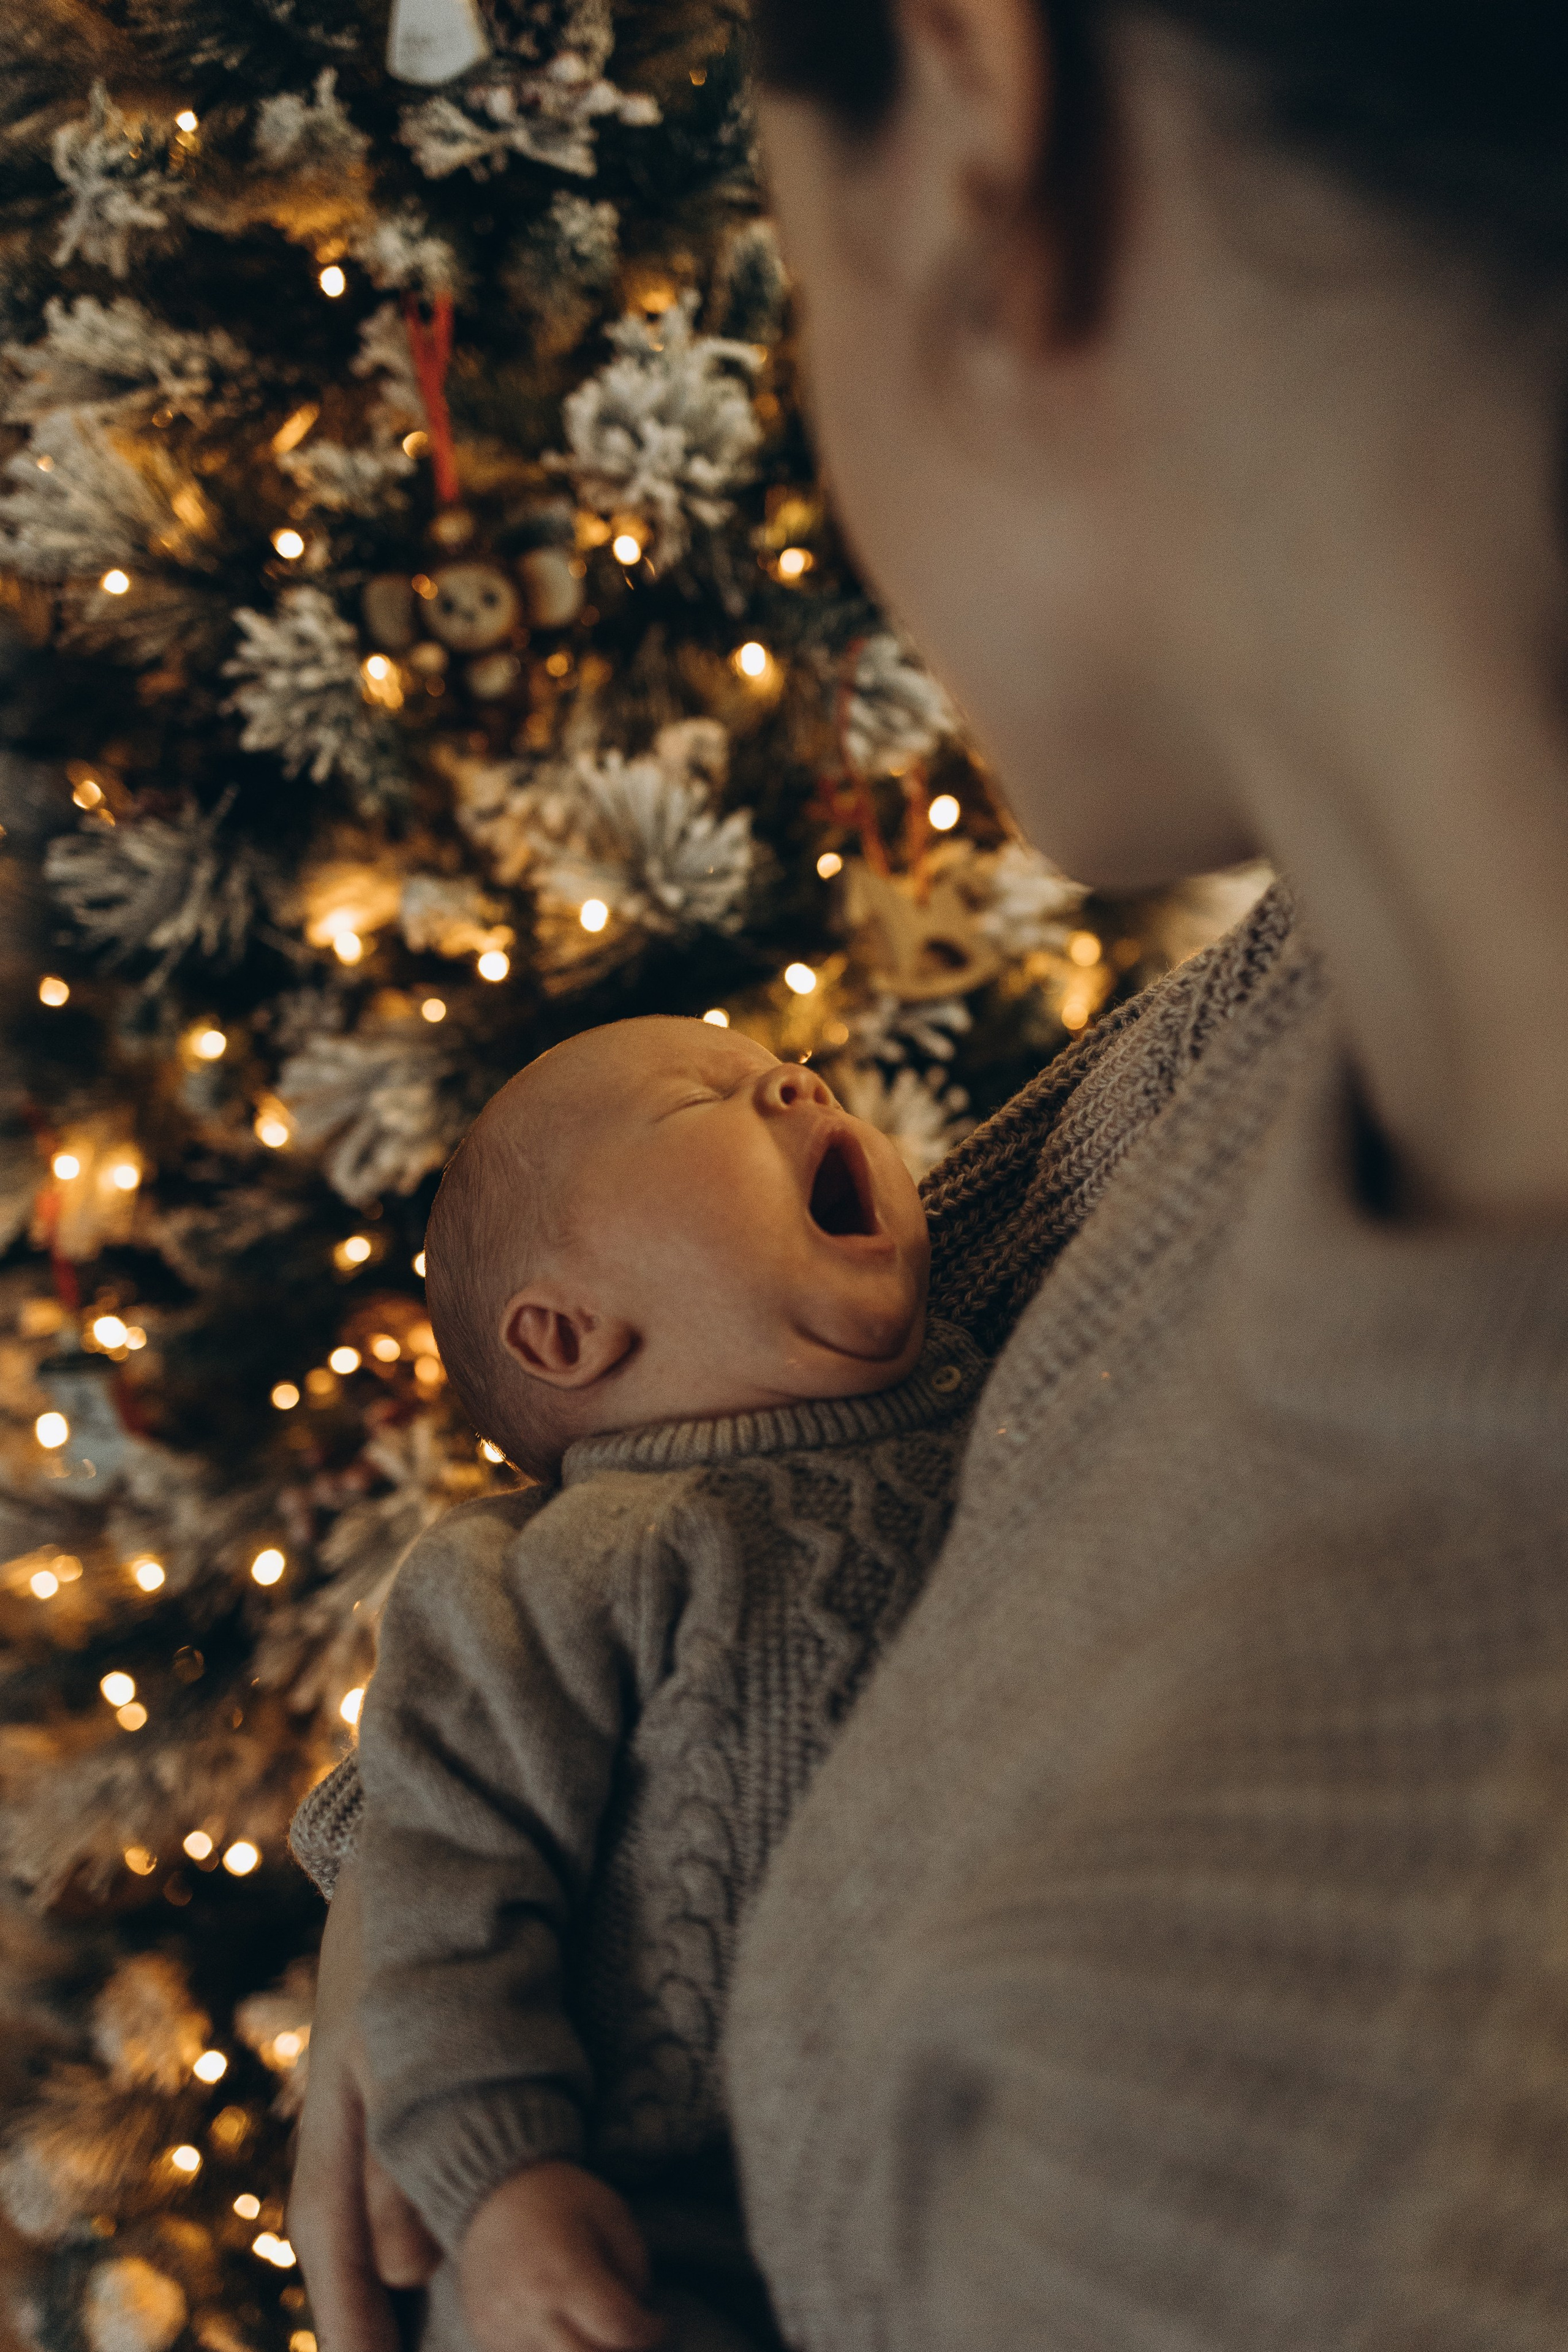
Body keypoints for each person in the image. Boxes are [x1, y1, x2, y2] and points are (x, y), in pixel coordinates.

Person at [293, 2, 1568, 2345]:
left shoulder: (1241, 2162)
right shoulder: (1319, 994)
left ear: (984, 122)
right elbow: (748, 1399)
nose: (805, 1110)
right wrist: (420, 1914)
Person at [288, 1016, 986, 2352]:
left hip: (973, 2160)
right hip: (642, 2212)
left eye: (796, 1074)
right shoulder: (538, 1573)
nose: (799, 1079)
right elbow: (440, 1893)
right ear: (566, 1333)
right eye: (702, 1103)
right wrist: (500, 2182)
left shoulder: (1010, 1409)